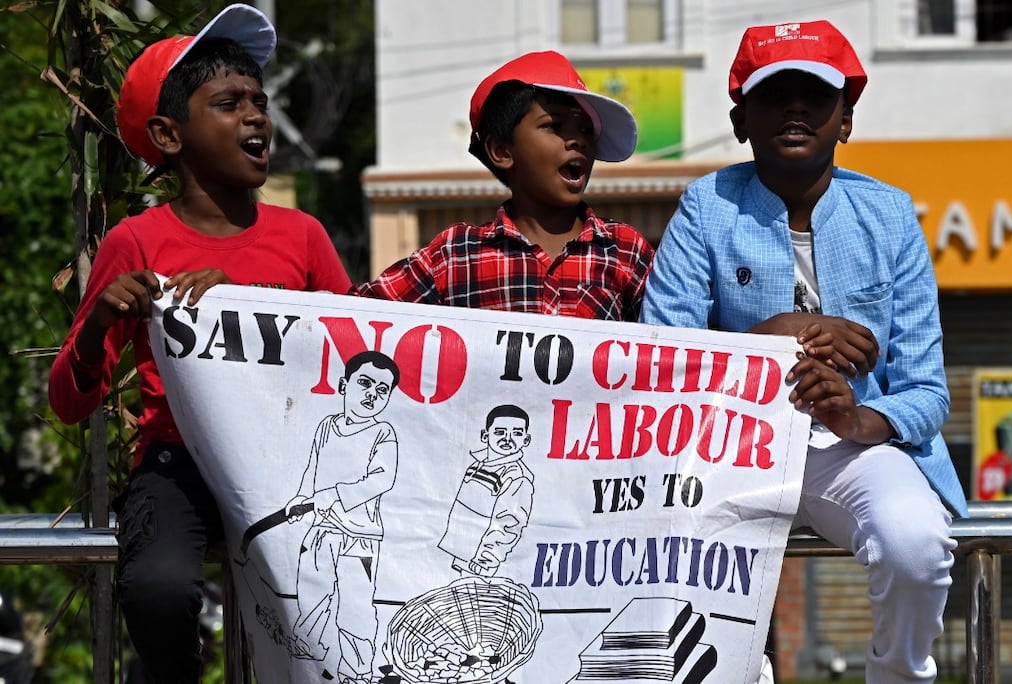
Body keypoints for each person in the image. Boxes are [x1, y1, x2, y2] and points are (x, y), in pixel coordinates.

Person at [639, 20, 968, 684]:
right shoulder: (704, 208)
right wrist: (773, 337)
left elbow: (927, 390)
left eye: (814, 96)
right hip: (726, 446)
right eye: (773, 94)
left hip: (852, 449)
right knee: (686, 572)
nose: (795, 110)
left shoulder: (891, 215)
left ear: (845, 118)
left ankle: (898, 677)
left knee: (916, 544)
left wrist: (859, 421)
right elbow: (658, 359)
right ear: (740, 119)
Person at [47, 5, 352, 682]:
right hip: (178, 465)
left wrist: (250, 301)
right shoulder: (136, 242)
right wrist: (100, 319)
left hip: (293, 462)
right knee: (156, 587)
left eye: (259, 102)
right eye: (228, 103)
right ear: (168, 134)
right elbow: (69, 401)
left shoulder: (304, 236)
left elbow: (352, 352)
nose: (255, 117)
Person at [350, 51, 653, 322]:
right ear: (502, 152)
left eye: (585, 129)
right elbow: (354, 317)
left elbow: (674, 341)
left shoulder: (624, 249)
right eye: (554, 126)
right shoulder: (455, 255)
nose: (578, 140)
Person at [283, 350, 400, 683]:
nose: (371, 394)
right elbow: (313, 471)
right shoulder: (327, 427)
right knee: (311, 595)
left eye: (381, 390)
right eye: (364, 383)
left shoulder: (382, 433)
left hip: (358, 537)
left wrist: (333, 496)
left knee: (355, 608)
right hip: (320, 530)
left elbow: (381, 479)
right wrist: (301, 500)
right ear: (343, 385)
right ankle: (308, 658)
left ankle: (359, 671)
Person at [438, 404, 535, 577]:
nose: (507, 439)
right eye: (500, 432)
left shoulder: (516, 476)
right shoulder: (476, 466)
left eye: (517, 433)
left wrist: (487, 559)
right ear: (485, 435)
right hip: (460, 553)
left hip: (480, 563)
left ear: (526, 440)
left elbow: (509, 524)